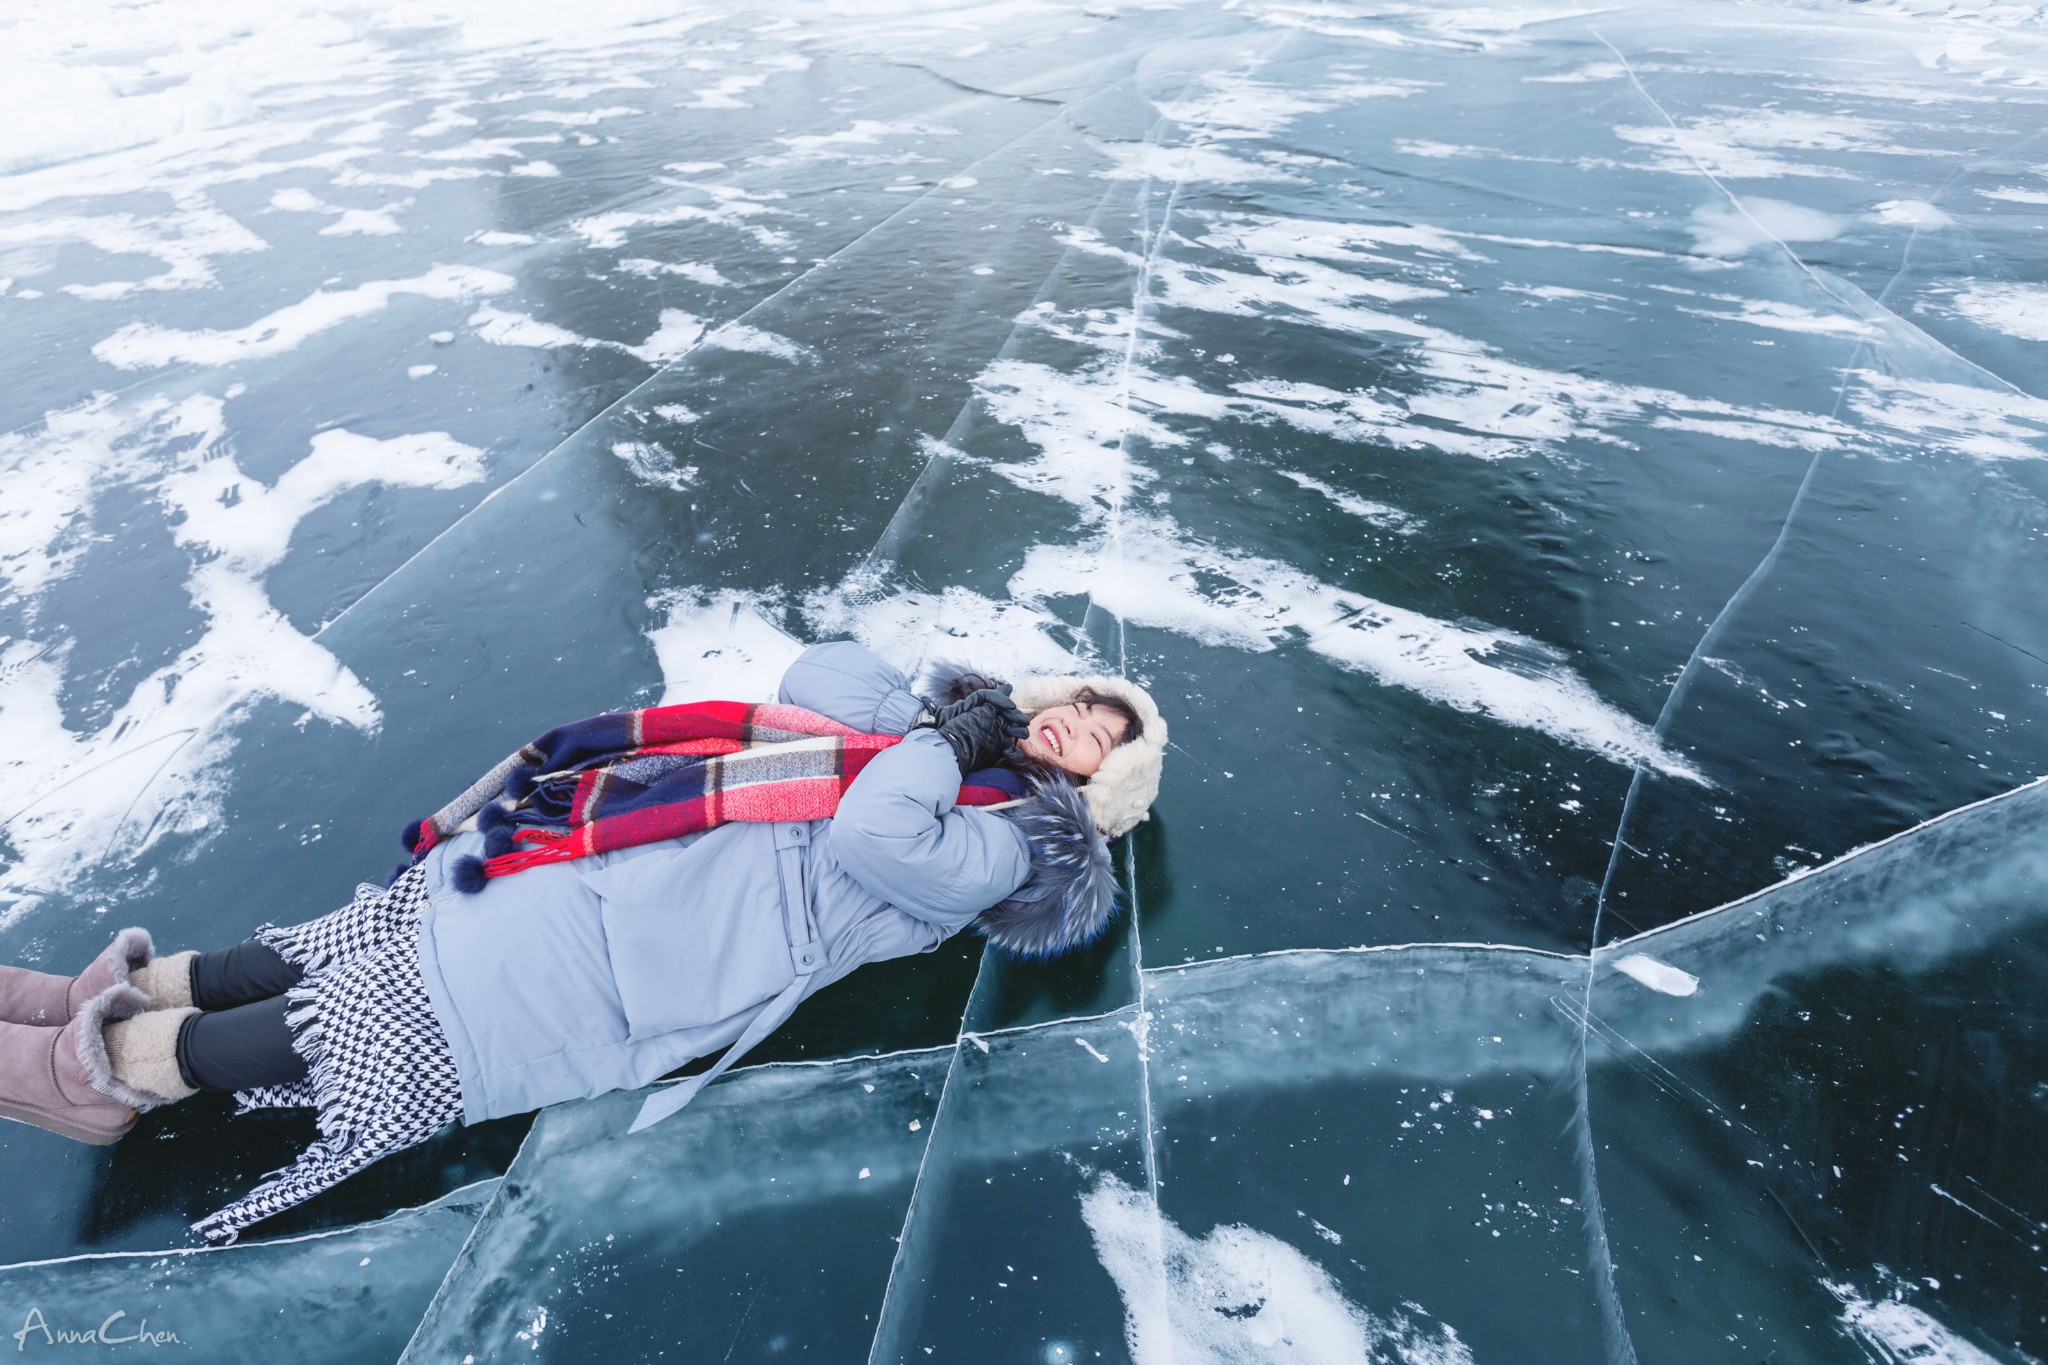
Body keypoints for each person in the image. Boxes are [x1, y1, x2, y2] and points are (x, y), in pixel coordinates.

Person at [0, 642, 1166, 1243]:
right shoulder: (933, 746)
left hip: (655, 966)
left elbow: (871, 836)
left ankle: (101, 1079)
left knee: (375, 1019)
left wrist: (947, 751)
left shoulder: (1009, 851)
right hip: (606, 881)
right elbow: (823, 674)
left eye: (1099, 742)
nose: (1078, 726)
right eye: (1079, 704)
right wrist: (948, 711)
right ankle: (108, 999)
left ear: (1095, 787)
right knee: (349, 944)